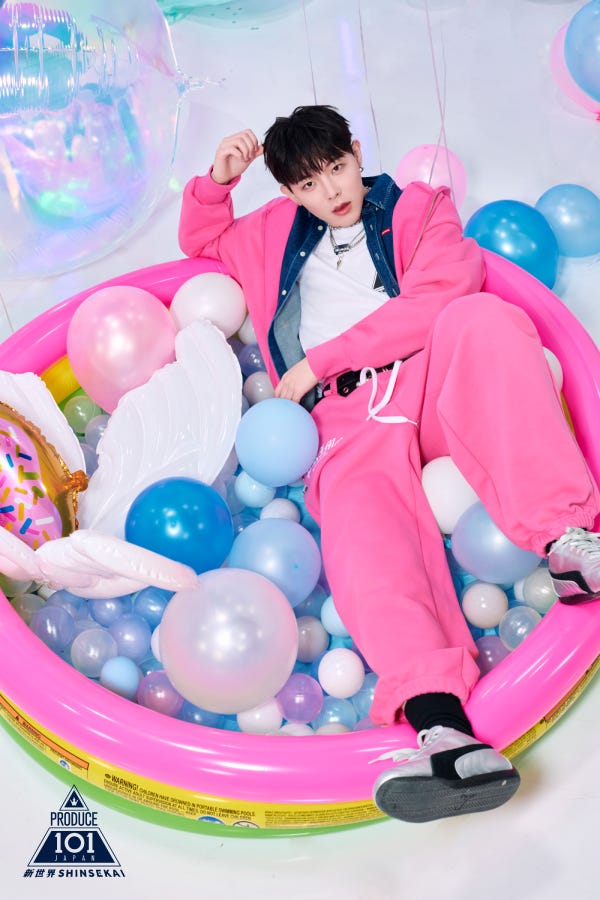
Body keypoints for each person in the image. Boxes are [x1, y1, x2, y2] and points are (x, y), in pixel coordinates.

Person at [178, 105, 600, 824]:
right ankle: (444, 733)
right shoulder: (271, 232)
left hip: (425, 376)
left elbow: (444, 294)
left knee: (483, 318)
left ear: (356, 150)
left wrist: (318, 361)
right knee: (362, 530)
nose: (331, 192)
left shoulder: (417, 209)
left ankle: (570, 542)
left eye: (337, 168)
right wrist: (217, 183)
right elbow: (200, 241)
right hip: (343, 419)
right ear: (288, 192)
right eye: (308, 184)